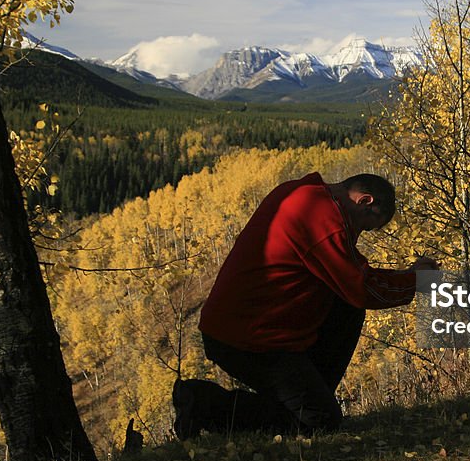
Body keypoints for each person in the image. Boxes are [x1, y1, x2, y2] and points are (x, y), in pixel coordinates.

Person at [173, 172, 437, 439]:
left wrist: (408, 277)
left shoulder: (303, 192)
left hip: (246, 326)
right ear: (364, 201)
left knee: (345, 307)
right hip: (248, 340)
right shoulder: (323, 220)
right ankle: (204, 404)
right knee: (320, 422)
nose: (358, 233)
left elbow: (351, 279)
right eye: (366, 225)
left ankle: (308, 401)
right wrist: (417, 281)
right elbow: (361, 288)